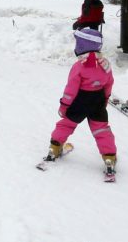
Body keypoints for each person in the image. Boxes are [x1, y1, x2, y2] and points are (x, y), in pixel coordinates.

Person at [43, 28, 117, 176]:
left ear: (82, 46)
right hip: (97, 102)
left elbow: (71, 89)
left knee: (66, 124)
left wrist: (64, 105)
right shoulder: (105, 65)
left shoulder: (79, 66)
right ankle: (109, 157)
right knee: (102, 130)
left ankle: (54, 148)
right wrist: (105, 99)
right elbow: (109, 83)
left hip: (79, 102)